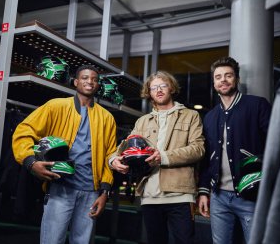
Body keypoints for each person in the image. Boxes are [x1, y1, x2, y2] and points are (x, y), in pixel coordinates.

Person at [12, 65, 117, 244]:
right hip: (61, 187)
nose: (89, 81)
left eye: (94, 79)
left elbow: (110, 155)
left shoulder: (107, 118)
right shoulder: (56, 106)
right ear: (76, 82)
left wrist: (105, 191)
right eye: (84, 78)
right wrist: (30, 161)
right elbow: (24, 130)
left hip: (91, 192)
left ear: (98, 85)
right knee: (52, 240)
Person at [110, 70, 205, 244]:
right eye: (154, 87)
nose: (159, 90)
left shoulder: (191, 115)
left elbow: (198, 149)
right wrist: (114, 159)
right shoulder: (143, 121)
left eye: (163, 86)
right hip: (149, 195)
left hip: (180, 194)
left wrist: (163, 157)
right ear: (149, 92)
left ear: (172, 88)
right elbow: (127, 145)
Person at [197, 57, 272, 243]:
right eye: (218, 77)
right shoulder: (210, 117)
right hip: (218, 197)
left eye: (228, 75)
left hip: (252, 195)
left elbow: (275, 146)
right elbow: (207, 159)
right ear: (214, 83)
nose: (223, 80)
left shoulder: (257, 105)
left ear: (236, 79)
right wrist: (204, 191)